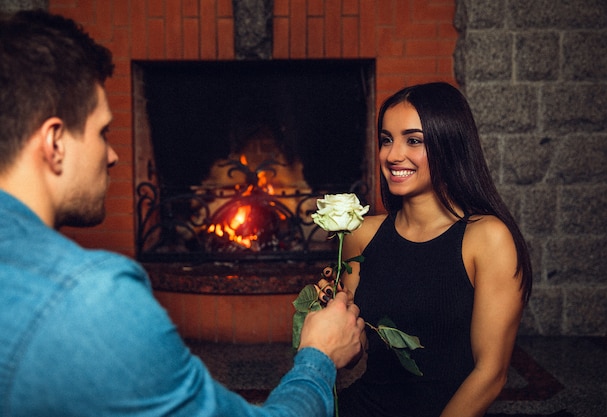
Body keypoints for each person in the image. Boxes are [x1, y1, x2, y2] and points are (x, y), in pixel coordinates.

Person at [0, 9, 364, 417]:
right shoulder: (91, 297)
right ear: (55, 143)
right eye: (103, 132)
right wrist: (319, 356)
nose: (114, 155)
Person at [333, 82, 533, 417]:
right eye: (386, 139)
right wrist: (327, 319)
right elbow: (353, 353)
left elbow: (491, 373)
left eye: (413, 140)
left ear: (449, 144)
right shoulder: (361, 233)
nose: (393, 155)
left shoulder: (486, 237)